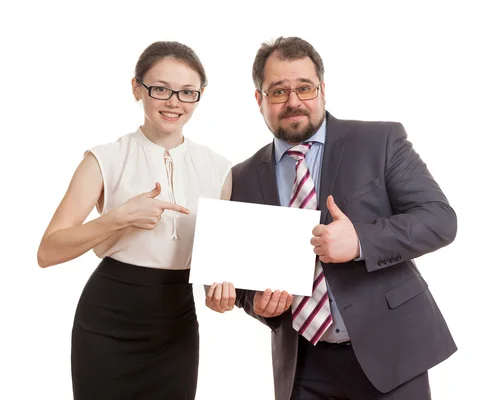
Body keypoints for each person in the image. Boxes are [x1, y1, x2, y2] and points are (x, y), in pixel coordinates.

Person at [205, 36, 458, 399]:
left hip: (391, 353)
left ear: (323, 90)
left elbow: (439, 220)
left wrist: (360, 241)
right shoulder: (242, 176)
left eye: (304, 88)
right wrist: (257, 305)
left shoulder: (380, 141)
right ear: (259, 99)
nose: (293, 102)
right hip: (304, 367)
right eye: (278, 92)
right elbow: (242, 280)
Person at [37, 41, 232, 399]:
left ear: (200, 95)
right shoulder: (104, 159)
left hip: (176, 322)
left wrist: (219, 292)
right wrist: (118, 218)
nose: (174, 102)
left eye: (187, 92)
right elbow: (48, 251)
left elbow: (212, 268)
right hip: (108, 319)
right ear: (136, 89)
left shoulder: (220, 169)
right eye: (161, 89)